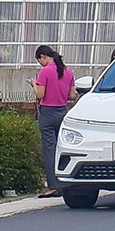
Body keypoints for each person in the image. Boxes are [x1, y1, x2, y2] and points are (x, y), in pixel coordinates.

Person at [33, 45, 75, 196]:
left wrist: (34, 84)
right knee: (62, 149)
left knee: (49, 150)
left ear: (43, 57)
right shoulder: (68, 71)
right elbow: (72, 96)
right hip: (63, 112)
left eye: (40, 61)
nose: (41, 64)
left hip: (48, 114)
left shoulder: (45, 71)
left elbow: (40, 94)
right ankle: (66, 182)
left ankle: (54, 186)